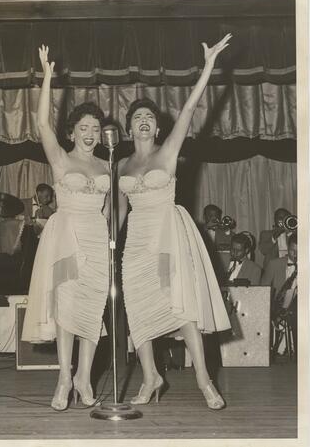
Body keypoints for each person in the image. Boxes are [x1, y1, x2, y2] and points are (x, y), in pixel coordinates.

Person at [118, 34, 232, 410]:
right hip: (135, 241)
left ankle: (204, 381)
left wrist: (209, 67)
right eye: (138, 117)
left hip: (167, 237)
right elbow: (119, 211)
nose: (145, 121)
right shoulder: (121, 166)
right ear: (129, 129)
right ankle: (151, 376)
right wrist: (108, 245)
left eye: (150, 116)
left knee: (180, 307)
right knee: (137, 306)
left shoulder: (168, 152)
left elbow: (189, 110)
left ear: (157, 127)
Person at [21, 45, 110, 411]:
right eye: (83, 127)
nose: (90, 133)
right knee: (67, 306)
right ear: (72, 132)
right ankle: (63, 377)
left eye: (95, 128)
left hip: (97, 238)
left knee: (92, 308)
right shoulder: (60, 158)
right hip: (66, 238)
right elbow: (42, 124)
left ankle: (84, 377)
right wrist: (46, 78)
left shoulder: (107, 167)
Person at [261, 233, 297, 355]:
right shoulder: (274, 264)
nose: (296, 255)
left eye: (300, 251)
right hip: (278, 307)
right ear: (287, 248)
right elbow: (263, 291)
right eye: (293, 251)